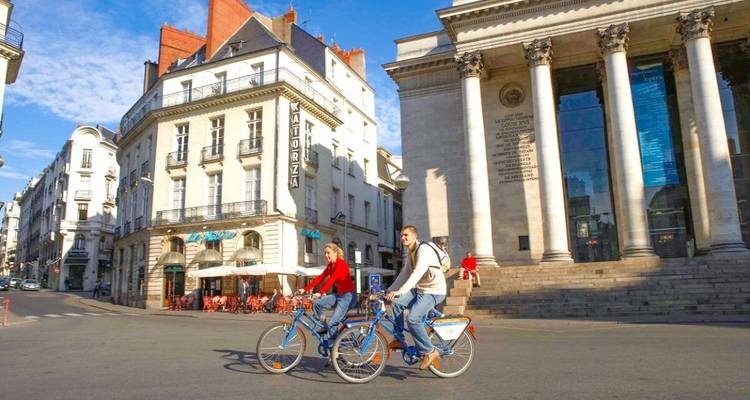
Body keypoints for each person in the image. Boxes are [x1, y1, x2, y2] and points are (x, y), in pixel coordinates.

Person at [386, 225, 447, 370]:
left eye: (406, 235)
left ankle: (430, 351)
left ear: (415, 236)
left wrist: (400, 291)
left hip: (434, 291)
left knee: (413, 319)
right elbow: (404, 274)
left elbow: (417, 273)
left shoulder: (423, 250)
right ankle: (399, 339)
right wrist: (389, 291)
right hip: (421, 289)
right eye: (401, 236)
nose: (403, 238)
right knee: (396, 303)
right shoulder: (411, 253)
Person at [298, 242, 356, 338]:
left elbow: (331, 280)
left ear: (335, 253)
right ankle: (325, 326)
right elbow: (321, 277)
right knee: (317, 304)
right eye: (325, 253)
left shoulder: (341, 264)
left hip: (348, 297)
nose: (326, 255)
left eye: (328, 253)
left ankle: (334, 346)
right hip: (340, 295)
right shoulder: (330, 266)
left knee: (332, 323)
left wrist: (320, 293)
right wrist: (305, 289)